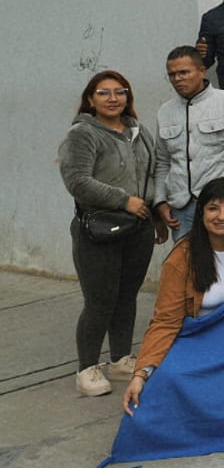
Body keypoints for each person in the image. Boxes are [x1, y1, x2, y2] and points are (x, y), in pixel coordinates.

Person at [120, 177, 224, 415]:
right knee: (170, 378)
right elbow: (165, 321)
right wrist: (141, 373)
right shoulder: (181, 258)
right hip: (200, 338)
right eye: (213, 208)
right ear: (201, 213)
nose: (222, 216)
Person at [59, 70, 159, 397]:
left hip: (138, 227)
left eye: (120, 92)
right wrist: (123, 200)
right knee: (100, 301)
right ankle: (87, 369)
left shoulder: (138, 131)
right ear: (91, 99)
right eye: (104, 93)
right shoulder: (83, 134)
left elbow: (153, 173)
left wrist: (154, 213)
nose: (113, 99)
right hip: (98, 230)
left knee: (126, 296)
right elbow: (77, 181)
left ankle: (119, 360)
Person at [153, 45, 224, 239]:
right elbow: (163, 161)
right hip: (181, 207)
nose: (178, 79)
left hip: (222, 206)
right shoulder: (165, 111)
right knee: (186, 266)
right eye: (172, 75)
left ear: (201, 71)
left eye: (184, 72)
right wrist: (160, 201)